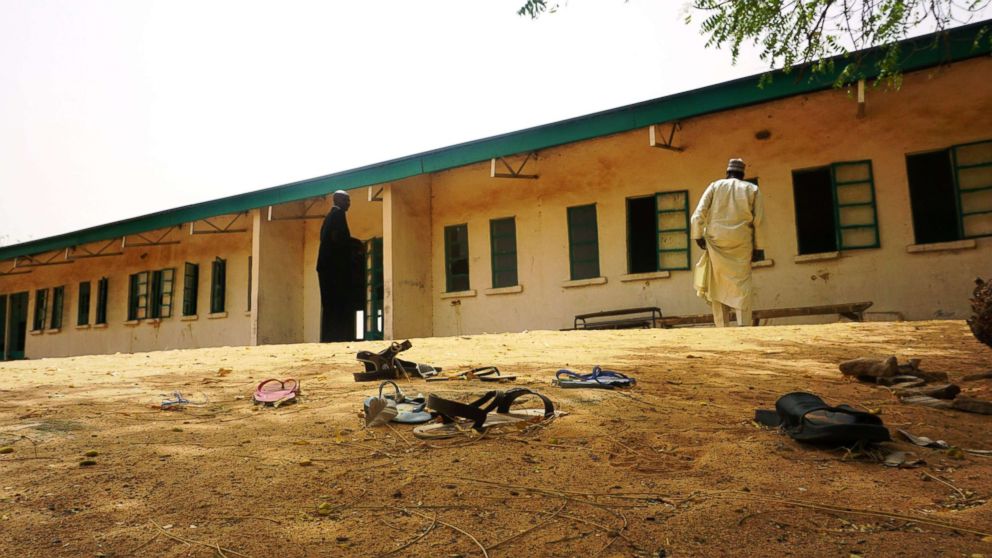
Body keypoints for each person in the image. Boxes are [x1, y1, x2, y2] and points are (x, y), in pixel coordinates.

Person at [691, 158, 766, 327]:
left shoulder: (715, 186)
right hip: (742, 243)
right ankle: (744, 325)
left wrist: (698, 237)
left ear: (727, 173)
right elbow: (759, 221)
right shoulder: (752, 189)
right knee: (742, 286)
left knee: (716, 284)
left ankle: (722, 327)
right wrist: (759, 248)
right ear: (743, 174)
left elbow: (698, 215)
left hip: (716, 242)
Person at [317, 190, 356, 342]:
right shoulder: (338, 215)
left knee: (329, 305)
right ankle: (337, 336)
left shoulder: (329, 217)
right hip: (333, 268)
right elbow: (337, 239)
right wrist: (352, 246)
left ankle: (330, 336)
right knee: (337, 303)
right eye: (346, 201)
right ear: (337, 200)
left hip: (327, 267)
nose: (349, 204)